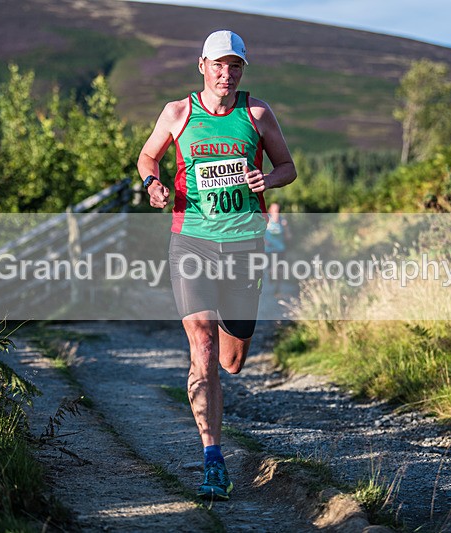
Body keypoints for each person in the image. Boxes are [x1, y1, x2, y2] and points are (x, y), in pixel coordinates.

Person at [137, 29, 296, 500]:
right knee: (202, 349)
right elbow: (149, 155)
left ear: (242, 70)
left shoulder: (257, 113)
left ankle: (233, 359)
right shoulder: (178, 113)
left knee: (232, 360)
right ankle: (212, 460)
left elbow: (288, 167)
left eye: (236, 66)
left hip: (245, 247)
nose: (227, 74)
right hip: (192, 244)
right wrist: (153, 184)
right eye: (219, 65)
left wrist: (265, 177)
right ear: (202, 66)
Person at [263, 202, 289, 298]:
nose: (276, 213)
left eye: (278, 211)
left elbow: (288, 237)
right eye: (274, 210)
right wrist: (264, 241)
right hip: (269, 250)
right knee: (271, 270)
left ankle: (277, 290)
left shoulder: (282, 221)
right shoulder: (266, 220)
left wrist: (286, 227)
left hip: (280, 249)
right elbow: (260, 232)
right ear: (270, 211)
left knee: (280, 271)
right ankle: (270, 276)